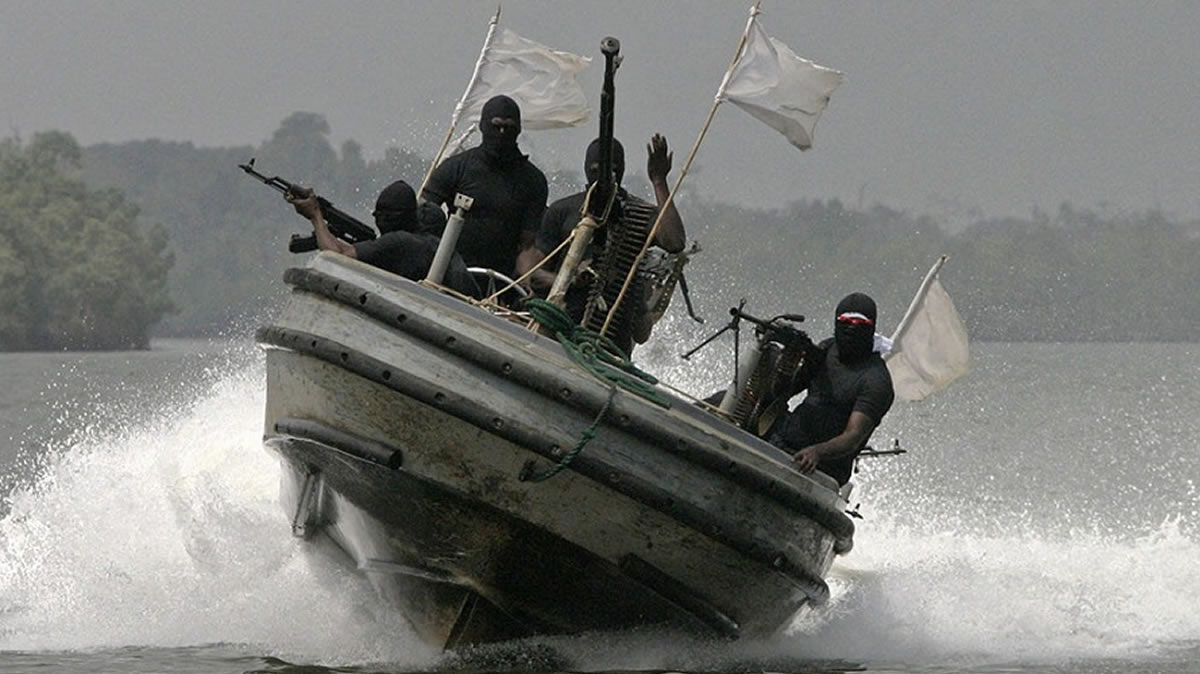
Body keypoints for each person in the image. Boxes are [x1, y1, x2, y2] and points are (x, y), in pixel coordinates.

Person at [515, 134, 685, 353]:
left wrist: (659, 182)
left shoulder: (638, 213)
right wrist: (570, 278)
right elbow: (534, 274)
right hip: (562, 334)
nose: (605, 176)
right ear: (586, 168)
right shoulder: (563, 211)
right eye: (597, 170)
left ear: (621, 169)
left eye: (613, 170)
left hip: (613, 341)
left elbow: (675, 241)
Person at [767, 292, 895, 486]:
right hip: (784, 442)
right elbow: (783, 392)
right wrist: (788, 363)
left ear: (872, 328)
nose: (851, 328)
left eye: (859, 324)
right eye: (845, 321)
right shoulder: (827, 348)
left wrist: (816, 452)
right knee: (724, 400)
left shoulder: (876, 381)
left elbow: (853, 436)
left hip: (823, 469)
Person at [420, 94, 548, 278]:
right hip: (451, 270)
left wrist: (526, 278)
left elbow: (527, 244)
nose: (502, 133)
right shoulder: (455, 168)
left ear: (518, 129)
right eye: (496, 126)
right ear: (483, 126)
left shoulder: (533, 181)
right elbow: (423, 216)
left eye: (508, 127)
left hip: (501, 279)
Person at [285, 180, 481, 298]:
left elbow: (335, 256)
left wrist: (315, 216)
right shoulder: (429, 244)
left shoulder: (401, 242)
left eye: (379, 214)